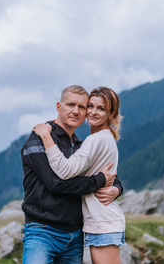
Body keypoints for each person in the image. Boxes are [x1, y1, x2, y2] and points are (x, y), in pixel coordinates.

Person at [21, 85, 124, 264]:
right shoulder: (39, 139)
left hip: (75, 236)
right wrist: (99, 180)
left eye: (82, 107)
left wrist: (116, 188)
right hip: (42, 232)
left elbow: (109, 173)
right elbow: (55, 183)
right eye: (70, 105)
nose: (76, 111)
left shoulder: (80, 145)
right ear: (59, 107)